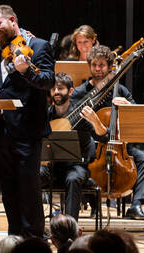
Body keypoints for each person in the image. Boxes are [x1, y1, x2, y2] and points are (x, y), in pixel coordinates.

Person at [0, 4, 55, 239]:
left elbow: (48, 81)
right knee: (8, 188)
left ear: (12, 20)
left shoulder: (38, 45)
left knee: (28, 188)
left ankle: (34, 238)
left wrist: (27, 72)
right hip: (1, 130)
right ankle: (14, 235)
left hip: (27, 129)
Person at [71, 45, 144, 219]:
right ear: (89, 65)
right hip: (94, 144)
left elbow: (138, 117)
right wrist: (96, 124)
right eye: (94, 64)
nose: (98, 69)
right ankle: (94, 204)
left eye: (102, 65)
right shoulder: (81, 93)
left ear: (110, 67)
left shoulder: (120, 90)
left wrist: (129, 106)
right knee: (83, 160)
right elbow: (76, 125)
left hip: (118, 145)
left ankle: (136, 205)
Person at [41, 72, 107, 220]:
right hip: (51, 167)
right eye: (53, 89)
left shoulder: (81, 114)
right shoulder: (46, 115)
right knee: (33, 175)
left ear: (71, 91)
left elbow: (103, 136)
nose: (56, 92)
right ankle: (35, 225)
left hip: (76, 166)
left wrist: (96, 121)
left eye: (60, 88)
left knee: (72, 178)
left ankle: (71, 227)